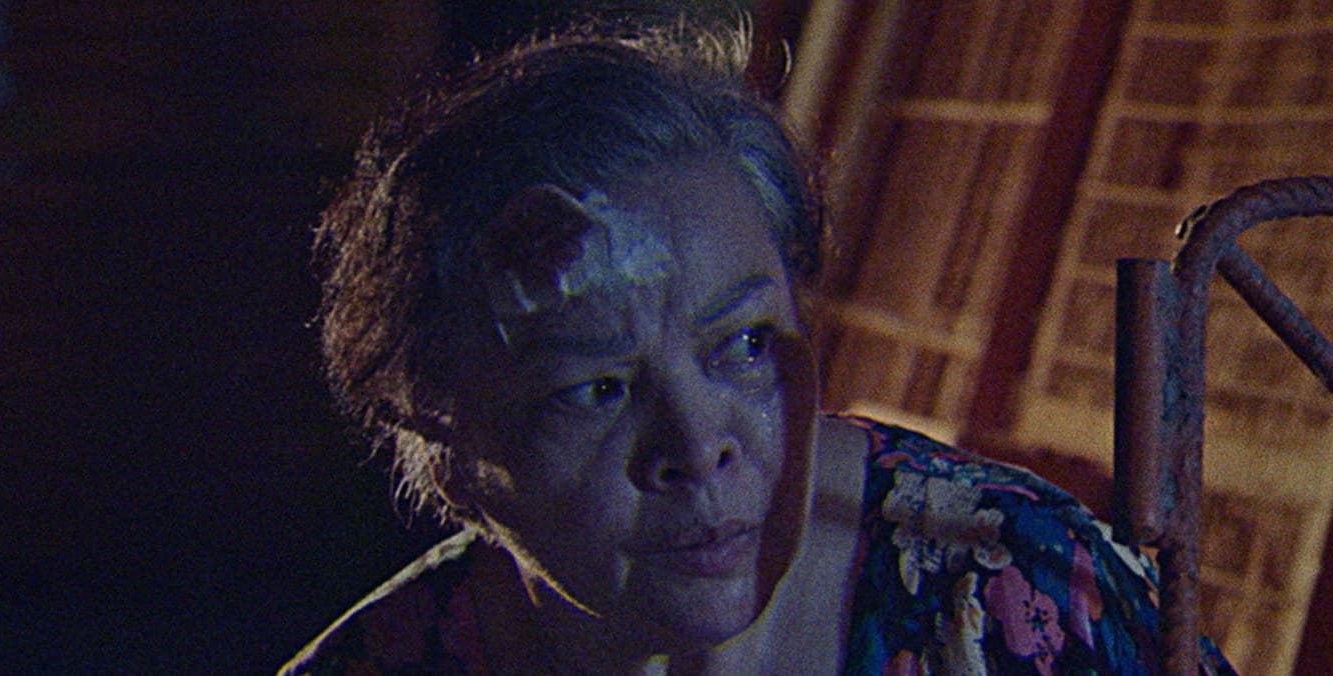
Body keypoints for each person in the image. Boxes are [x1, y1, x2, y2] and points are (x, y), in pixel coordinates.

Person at [285, 22, 1234, 675]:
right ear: (448, 451)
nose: (700, 446)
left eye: (741, 344)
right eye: (596, 389)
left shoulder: (1020, 596)